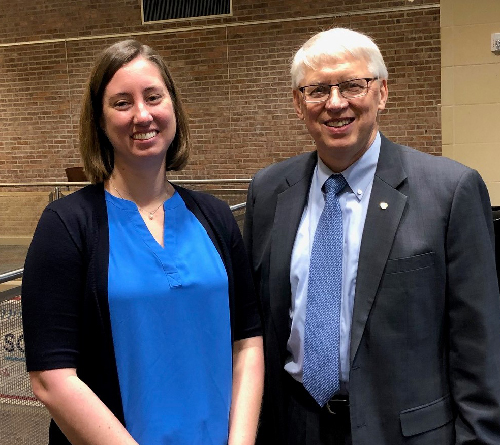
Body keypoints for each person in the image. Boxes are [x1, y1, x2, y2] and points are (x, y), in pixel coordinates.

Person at [243, 27, 500, 445]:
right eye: (317, 90)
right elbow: (263, 325)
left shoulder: (450, 192)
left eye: (351, 85)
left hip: (403, 433)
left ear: (381, 92)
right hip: (293, 427)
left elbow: (479, 345)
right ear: (298, 103)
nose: (335, 103)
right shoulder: (269, 191)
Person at [22, 39, 264, 445]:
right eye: (122, 103)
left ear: (173, 107)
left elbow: (247, 344)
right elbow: (52, 378)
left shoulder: (216, 217)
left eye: (154, 97)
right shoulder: (67, 226)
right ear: (99, 121)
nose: (143, 114)